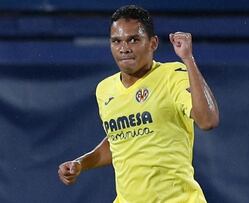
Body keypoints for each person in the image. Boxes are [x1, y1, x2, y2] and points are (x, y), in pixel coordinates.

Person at [58, 5, 219, 203]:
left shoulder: (172, 76)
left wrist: (188, 59)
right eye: (116, 41)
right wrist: (80, 163)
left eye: (133, 40)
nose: (124, 48)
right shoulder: (105, 89)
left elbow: (208, 120)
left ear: (153, 43)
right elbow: (119, 141)